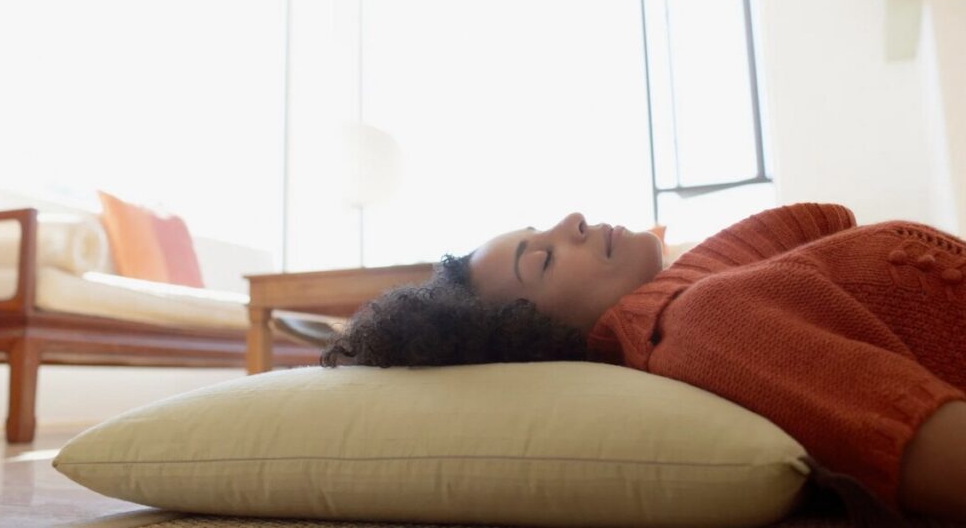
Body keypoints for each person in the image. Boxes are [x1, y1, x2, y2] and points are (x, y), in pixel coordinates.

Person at [321, 203, 966, 522]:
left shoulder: (714, 293)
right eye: (541, 260)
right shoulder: (704, 326)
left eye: (543, 230)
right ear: (542, 341)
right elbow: (934, 450)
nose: (571, 219)